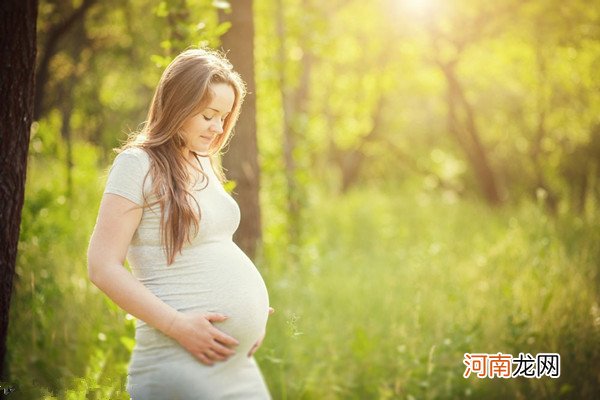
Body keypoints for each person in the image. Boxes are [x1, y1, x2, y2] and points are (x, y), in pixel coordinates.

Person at [87, 47, 274, 399]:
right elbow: (101, 266)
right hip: (180, 361)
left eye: (224, 117)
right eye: (209, 115)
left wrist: (252, 313)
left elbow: (208, 246)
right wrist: (178, 325)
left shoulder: (201, 161)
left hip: (234, 367)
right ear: (179, 105)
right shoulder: (137, 164)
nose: (218, 128)